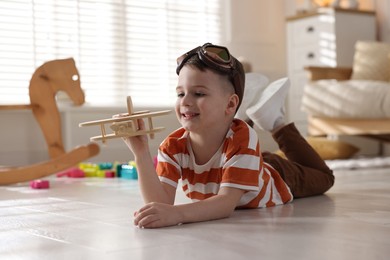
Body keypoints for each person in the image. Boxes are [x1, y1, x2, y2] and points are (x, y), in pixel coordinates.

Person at [122, 43, 334, 229]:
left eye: (198, 93)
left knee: (324, 178)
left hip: (277, 175)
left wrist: (179, 214)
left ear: (230, 103)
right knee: (240, 139)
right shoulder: (172, 146)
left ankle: (275, 122)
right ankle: (242, 115)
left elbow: (224, 204)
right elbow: (161, 206)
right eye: (180, 93)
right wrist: (140, 153)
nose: (185, 101)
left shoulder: (243, 138)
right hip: (242, 161)